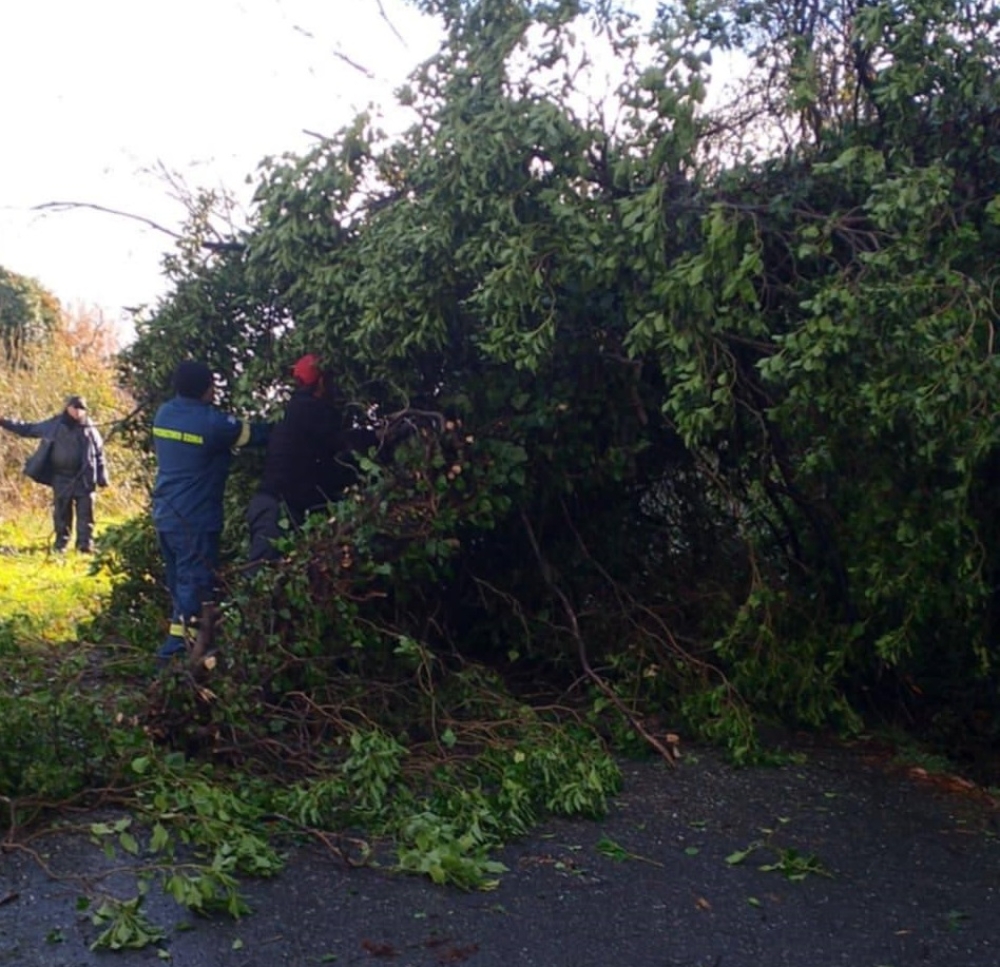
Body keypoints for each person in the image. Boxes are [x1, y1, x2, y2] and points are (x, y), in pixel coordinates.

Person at [152, 360, 270, 661]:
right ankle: (177, 664)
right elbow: (255, 435)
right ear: (207, 388)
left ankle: (185, 651)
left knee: (180, 587)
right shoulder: (212, 423)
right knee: (194, 591)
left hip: (166, 515)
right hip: (195, 520)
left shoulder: (164, 413)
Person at [247, 353, 375, 564]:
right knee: (264, 582)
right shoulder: (313, 411)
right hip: (277, 513)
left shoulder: (295, 411)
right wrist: (378, 437)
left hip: (273, 507)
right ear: (322, 382)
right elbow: (343, 443)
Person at [0, 395, 109, 552]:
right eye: (75, 408)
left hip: (84, 478)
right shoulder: (54, 425)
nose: (78, 412)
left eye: (81, 409)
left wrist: (102, 477)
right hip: (61, 477)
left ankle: (85, 546)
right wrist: (3, 421)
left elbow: (99, 454)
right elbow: (28, 429)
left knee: (86, 514)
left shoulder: (90, 429)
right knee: (62, 513)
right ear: (68, 408)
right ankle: (61, 544)